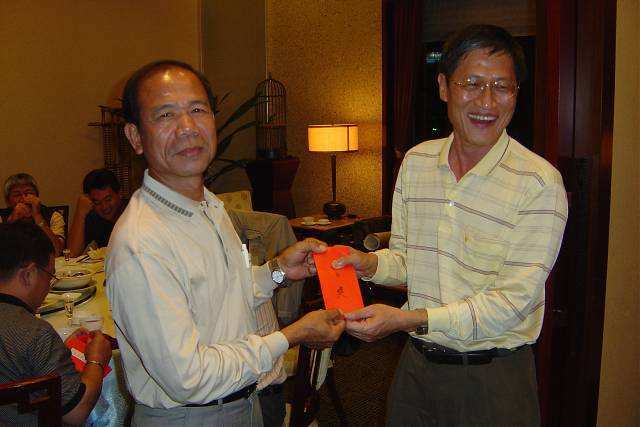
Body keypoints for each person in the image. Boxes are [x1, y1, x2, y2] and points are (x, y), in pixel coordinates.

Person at [335, 25, 568, 426]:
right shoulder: (417, 163)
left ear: (516, 93)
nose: (486, 101)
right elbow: (410, 261)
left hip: (492, 378)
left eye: (502, 86)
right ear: (444, 87)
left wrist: (409, 319)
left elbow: (511, 303)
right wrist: (366, 264)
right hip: (416, 368)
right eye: (472, 83)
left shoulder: (538, 183)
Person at [107, 60, 345, 425]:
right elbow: (190, 379)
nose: (188, 128)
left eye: (197, 110)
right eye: (166, 115)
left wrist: (278, 272)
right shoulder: (141, 242)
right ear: (135, 137)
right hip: (191, 416)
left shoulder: (208, 205)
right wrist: (291, 336)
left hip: (243, 401)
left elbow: (222, 296)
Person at [0, 222, 112, 426]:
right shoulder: (34, 332)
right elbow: (76, 411)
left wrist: (58, 350)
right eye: (50, 276)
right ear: (28, 275)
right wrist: (96, 360)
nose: (48, 285)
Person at [2, 173, 65, 256]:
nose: (23, 198)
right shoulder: (1, 218)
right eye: (17, 195)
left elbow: (56, 251)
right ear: (8, 201)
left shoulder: (54, 216)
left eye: (28, 193)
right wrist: (13, 221)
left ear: (37, 196)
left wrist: (37, 216)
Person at [67, 168, 125, 257]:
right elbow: (71, 253)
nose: (104, 207)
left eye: (108, 199)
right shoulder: (94, 217)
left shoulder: (135, 211)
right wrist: (80, 213)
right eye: (97, 202)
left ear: (120, 194)